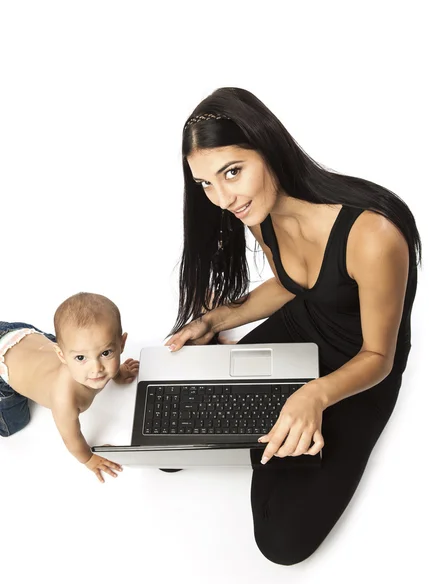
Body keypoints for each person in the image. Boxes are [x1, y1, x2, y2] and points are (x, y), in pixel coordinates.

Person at [165, 88, 421, 564]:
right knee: (172, 443)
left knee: (282, 543)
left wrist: (313, 396)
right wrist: (217, 319)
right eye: (205, 184)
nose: (222, 199)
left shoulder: (373, 234)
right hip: (305, 322)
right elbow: (295, 281)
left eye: (232, 172)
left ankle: (272, 423)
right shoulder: (256, 210)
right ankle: (265, 421)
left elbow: (379, 358)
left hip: (359, 361)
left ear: (269, 148)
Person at [0, 292, 139, 482]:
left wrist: (119, 372)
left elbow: (94, 357)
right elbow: (71, 438)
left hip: (22, 334)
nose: (96, 368)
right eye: (81, 358)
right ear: (62, 355)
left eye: (106, 352)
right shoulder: (65, 399)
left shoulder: (87, 361)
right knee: (13, 425)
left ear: (121, 344)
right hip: (4, 363)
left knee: (75, 340)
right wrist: (89, 458)